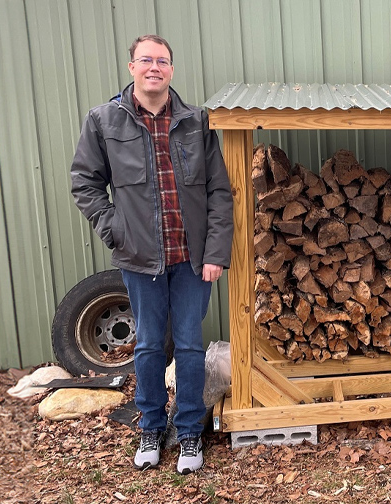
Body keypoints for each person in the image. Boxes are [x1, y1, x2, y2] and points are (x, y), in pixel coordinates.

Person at [70, 34, 233, 475]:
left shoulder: (197, 122)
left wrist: (216, 252)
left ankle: (189, 434)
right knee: (146, 345)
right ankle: (151, 427)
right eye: (146, 60)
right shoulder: (105, 120)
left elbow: (220, 193)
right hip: (139, 258)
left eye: (162, 61)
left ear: (172, 70)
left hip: (192, 259)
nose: (154, 68)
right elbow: (84, 183)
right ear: (132, 68)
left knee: (189, 345)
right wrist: (114, 228)